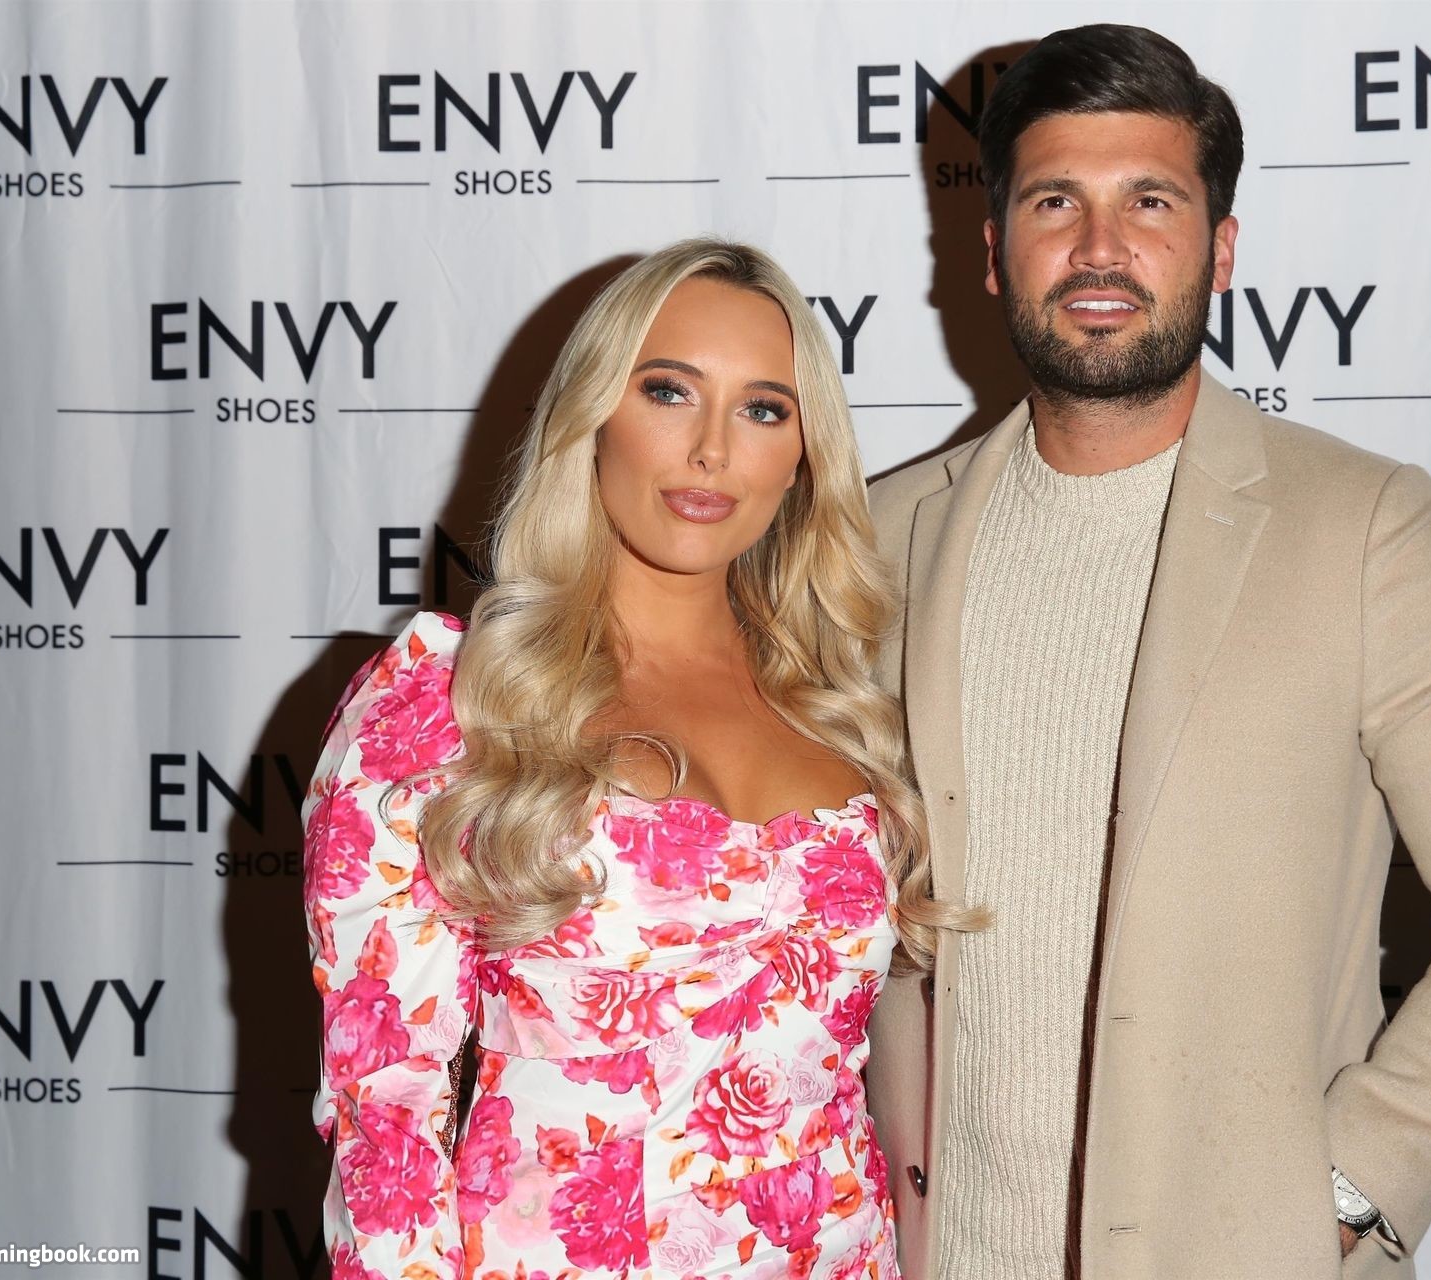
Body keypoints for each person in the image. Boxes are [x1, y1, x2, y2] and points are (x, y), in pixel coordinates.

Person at [863, 24, 1431, 1280]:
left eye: (1150, 201)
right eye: (1056, 201)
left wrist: (1343, 1190)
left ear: (1220, 248)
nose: (1100, 247)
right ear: (992, 252)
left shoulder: (1366, 530)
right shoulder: (874, 546)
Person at [301, 239, 965, 1279]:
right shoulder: (451, 700)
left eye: (763, 410)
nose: (712, 450)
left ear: (802, 456)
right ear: (593, 413)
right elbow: (385, 1116)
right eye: (668, 391)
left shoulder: (840, 707)